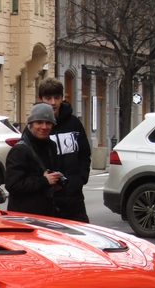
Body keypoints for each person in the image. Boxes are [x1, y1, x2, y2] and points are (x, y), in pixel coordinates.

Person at [37, 77, 91, 222]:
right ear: (40, 98)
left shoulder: (74, 123)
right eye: (48, 98)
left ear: (62, 98)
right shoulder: (36, 127)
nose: (53, 103)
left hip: (74, 198)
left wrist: (81, 178)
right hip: (49, 199)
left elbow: (84, 153)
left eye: (57, 97)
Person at [5, 103, 63, 217]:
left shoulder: (51, 146)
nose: (44, 127)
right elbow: (12, 185)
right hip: (22, 217)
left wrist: (54, 183)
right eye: (39, 122)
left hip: (46, 213)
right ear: (31, 124)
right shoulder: (19, 150)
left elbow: (48, 176)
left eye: (48, 123)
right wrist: (44, 181)